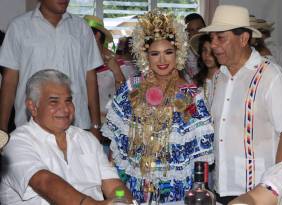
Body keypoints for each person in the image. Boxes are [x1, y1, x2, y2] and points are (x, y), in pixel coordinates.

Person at [101, 10, 214, 204]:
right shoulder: (131, 89)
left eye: (168, 52)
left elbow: (200, 160)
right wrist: (118, 194)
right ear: (145, 56)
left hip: (176, 195)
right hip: (133, 192)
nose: (162, 60)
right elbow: (114, 151)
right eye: (155, 53)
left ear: (178, 53)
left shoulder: (192, 96)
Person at [199, 5, 282, 204]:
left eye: (220, 38)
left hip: (257, 191)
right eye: (212, 38)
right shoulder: (219, 77)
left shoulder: (271, 76)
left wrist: (275, 187)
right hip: (220, 186)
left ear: (243, 39)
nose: (214, 45)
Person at [0, 69, 133, 205]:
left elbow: (115, 187)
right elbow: (44, 182)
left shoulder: (87, 139)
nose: (65, 109)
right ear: (33, 107)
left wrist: (120, 202)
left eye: (68, 101)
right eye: (54, 102)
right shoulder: (16, 142)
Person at [0, 0, 103, 140]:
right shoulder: (19, 27)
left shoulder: (81, 28)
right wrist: (2, 128)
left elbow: (90, 79)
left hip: (77, 128)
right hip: (31, 129)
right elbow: (9, 81)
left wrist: (96, 125)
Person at [84, 15, 126, 121]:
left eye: (83, 33)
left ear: (97, 35)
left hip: (111, 125)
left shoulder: (119, 63)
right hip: (85, 122)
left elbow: (126, 97)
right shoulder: (80, 61)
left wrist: (117, 71)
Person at [190, 33, 220, 106]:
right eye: (204, 50)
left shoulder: (225, 78)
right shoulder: (196, 80)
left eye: (212, 51)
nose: (207, 55)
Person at [184, 13, 206, 81]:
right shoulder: (181, 53)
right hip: (188, 90)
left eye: (199, 29)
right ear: (186, 32)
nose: (196, 33)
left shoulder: (214, 49)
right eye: (191, 30)